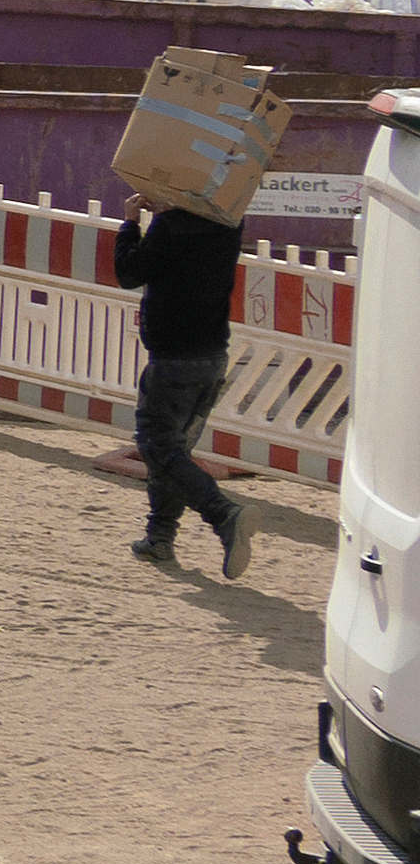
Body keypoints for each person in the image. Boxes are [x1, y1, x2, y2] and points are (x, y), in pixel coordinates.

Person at [118, 196, 255, 581]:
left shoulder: (171, 227)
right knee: (173, 452)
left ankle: (224, 515)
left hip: (174, 359)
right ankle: (159, 538)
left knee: (157, 447)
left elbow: (128, 272)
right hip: (213, 358)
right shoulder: (230, 221)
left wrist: (131, 222)